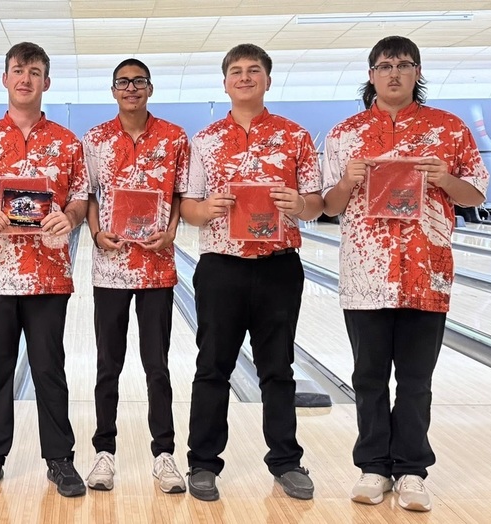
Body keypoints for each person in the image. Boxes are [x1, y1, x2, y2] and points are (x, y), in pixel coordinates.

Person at [321, 36, 489, 512]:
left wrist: (443, 177)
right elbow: (328, 206)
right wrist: (349, 180)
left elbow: (474, 195)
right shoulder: (344, 134)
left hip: (426, 271)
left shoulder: (449, 129)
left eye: (404, 64)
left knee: (416, 379)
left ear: (417, 72)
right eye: (384, 65)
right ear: (371, 74)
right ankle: (374, 467)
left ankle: (412, 471)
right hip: (366, 274)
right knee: (369, 377)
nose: (394, 73)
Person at [180, 43, 323, 502]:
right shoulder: (203, 141)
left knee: (278, 370)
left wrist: (299, 205)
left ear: (267, 79)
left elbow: (318, 204)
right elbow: (187, 208)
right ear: (225, 82)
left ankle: (285, 461)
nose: (245, 77)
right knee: (213, 368)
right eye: (236, 71)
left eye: (253, 70)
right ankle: (203, 464)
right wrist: (207, 209)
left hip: (278, 267)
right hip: (221, 267)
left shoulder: (296, 137)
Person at [0, 42, 88, 498]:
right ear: (6, 78)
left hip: (48, 275)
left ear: (46, 82)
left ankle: (60, 460)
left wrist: (69, 217)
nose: (25, 79)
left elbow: (80, 198)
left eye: (34, 72)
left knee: (50, 368)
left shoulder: (68, 143)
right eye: (18, 70)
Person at [82, 58, 189, 493]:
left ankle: (164, 455)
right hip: (110, 269)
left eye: (138, 81)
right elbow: (88, 195)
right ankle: (104, 453)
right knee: (108, 366)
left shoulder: (174, 138)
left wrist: (171, 232)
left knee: (156, 366)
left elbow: (182, 194)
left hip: (156, 268)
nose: (131, 88)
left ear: (150, 88)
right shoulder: (95, 139)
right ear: (113, 90)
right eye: (123, 82)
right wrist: (94, 230)